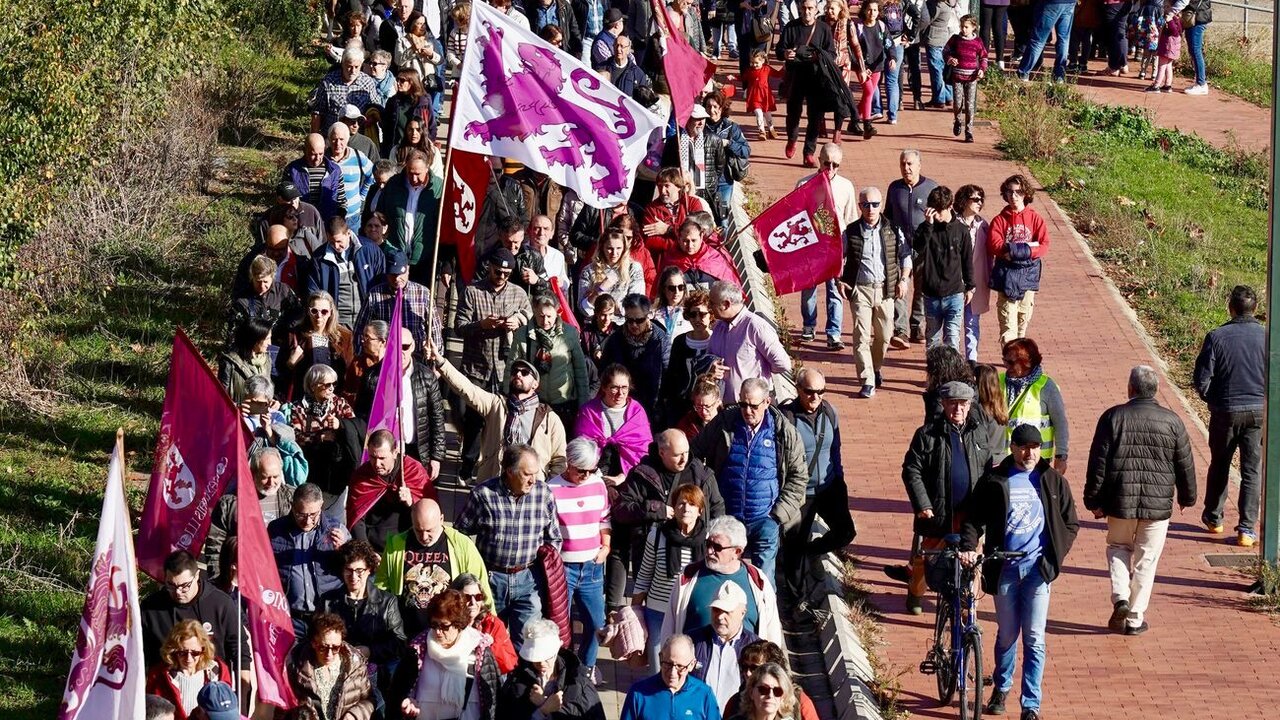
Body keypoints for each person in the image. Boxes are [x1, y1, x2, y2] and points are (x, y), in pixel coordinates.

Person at [961, 425, 1080, 720]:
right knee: (1008, 635)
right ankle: (1001, 687)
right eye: (1024, 447)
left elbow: (1070, 522)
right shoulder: (995, 480)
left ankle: (1030, 705)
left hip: (1038, 571)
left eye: (1035, 447)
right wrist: (968, 546)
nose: (1030, 453)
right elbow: (974, 519)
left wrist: (1054, 558)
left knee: (1035, 638)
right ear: (1012, 447)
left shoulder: (1051, 480)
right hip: (1005, 570)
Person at [1085, 365, 1196, 635]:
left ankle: (1120, 596)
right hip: (1157, 505)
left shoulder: (1113, 417)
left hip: (1120, 501)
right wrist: (1187, 496)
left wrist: (1093, 499)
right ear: (1156, 390)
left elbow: (1098, 462)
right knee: (1147, 559)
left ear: (1130, 389)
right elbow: (1185, 463)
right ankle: (1134, 618)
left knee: (1118, 548)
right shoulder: (1172, 421)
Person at [901, 381, 1000, 614]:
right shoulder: (927, 435)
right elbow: (911, 470)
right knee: (929, 560)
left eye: (963, 404)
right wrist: (922, 503)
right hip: (938, 511)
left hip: (971, 514)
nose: (958, 409)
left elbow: (987, 470)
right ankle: (915, 593)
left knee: (974, 559)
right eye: (952, 403)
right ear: (943, 404)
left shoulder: (979, 432)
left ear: (970, 405)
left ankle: (969, 611)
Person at [453, 445, 562, 646]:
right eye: (527, 474)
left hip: (529, 579)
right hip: (493, 580)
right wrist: (474, 573)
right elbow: (460, 535)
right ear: (509, 472)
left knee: (528, 641)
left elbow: (554, 538)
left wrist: (546, 566)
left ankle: (523, 678)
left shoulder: (544, 494)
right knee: (491, 640)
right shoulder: (483, 494)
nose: (533, 480)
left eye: (536, 474)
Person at [1194, 284, 1265, 546]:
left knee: (1220, 463)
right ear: (1255, 309)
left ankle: (1214, 518)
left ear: (1231, 308)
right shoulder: (1268, 337)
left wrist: (1214, 401)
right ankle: (1246, 529)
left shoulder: (1217, 337)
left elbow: (1201, 380)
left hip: (1226, 410)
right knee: (1251, 471)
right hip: (1258, 412)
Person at [778, 369, 856, 603]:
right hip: (799, 492)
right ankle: (797, 601)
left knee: (846, 532)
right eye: (810, 392)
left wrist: (839, 478)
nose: (815, 397)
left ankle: (813, 552)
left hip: (829, 487)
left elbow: (836, 450)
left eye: (821, 392)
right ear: (797, 389)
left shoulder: (830, 413)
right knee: (793, 549)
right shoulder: (786, 418)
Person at [434, 347, 568, 481]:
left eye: (525, 372)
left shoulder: (549, 417)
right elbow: (467, 389)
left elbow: (560, 459)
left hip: (531, 487)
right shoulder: (496, 404)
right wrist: (441, 362)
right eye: (515, 371)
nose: (518, 374)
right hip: (496, 482)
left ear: (535, 384)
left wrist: (546, 487)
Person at [378, 499, 494, 638]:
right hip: (406, 635)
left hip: (449, 636)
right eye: (418, 530)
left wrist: (491, 628)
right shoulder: (395, 546)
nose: (424, 537)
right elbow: (381, 591)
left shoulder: (462, 545)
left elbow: (482, 590)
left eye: (429, 530)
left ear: (441, 519)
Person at [662, 515, 784, 646]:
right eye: (708, 544)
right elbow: (669, 626)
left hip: (743, 664)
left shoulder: (758, 581)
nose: (709, 551)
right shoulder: (688, 577)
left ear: (737, 551)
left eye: (717, 547)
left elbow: (772, 631)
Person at [546, 438, 612, 676]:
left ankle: (586, 668)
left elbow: (605, 518)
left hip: (592, 565)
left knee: (596, 623)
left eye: (590, 470)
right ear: (569, 464)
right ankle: (562, 670)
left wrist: (605, 546)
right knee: (560, 625)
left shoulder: (598, 484)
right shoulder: (551, 489)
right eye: (580, 470)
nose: (585, 475)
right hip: (563, 567)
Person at [839, 186, 910, 398]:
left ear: (881, 206)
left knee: (884, 336)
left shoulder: (893, 229)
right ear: (860, 206)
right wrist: (840, 280)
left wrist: (904, 279)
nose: (871, 209)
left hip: (885, 290)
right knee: (861, 336)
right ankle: (867, 380)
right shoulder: (851, 231)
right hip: (860, 289)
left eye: (875, 204)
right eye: (866, 205)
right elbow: (837, 258)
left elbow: (905, 256)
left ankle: (875, 367)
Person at [632, 483, 710, 672]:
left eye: (692, 504)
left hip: (691, 611)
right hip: (658, 610)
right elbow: (645, 572)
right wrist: (635, 610)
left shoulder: (709, 539)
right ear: (673, 508)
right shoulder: (657, 535)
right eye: (681, 503)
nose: (686, 509)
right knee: (658, 668)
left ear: (700, 510)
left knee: (689, 667)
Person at [396, 589, 500, 720]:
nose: (438, 632)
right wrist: (408, 706)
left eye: (444, 626)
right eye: (434, 625)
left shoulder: (479, 649)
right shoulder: (418, 650)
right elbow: (398, 693)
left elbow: (493, 701)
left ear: (458, 624)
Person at [354, 329, 447, 473]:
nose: (400, 352)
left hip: (417, 452)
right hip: (383, 455)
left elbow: (437, 418)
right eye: (396, 347)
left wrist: (436, 457)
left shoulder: (427, 376)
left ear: (413, 346)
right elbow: (361, 416)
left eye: (405, 347)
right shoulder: (372, 376)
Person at [140, 550, 249, 670]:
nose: (178, 592)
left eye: (184, 586)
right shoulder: (150, 608)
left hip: (212, 682)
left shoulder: (221, 603)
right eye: (171, 585)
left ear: (197, 576)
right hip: (166, 682)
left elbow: (239, 649)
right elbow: (140, 653)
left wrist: (244, 686)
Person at [202, 448, 298, 577]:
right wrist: (219, 580)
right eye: (265, 477)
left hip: (280, 577)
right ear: (253, 473)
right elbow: (215, 545)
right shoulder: (230, 504)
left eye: (276, 476)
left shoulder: (292, 499)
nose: (271, 482)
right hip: (244, 577)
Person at [796, 144, 856, 350]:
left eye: (835, 165)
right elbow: (795, 217)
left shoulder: (846, 186)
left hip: (835, 246)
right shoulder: (804, 184)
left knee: (835, 291)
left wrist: (848, 250)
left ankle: (834, 333)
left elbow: (850, 220)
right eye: (826, 163)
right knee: (808, 291)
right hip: (811, 246)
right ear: (819, 160)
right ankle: (808, 326)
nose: (830, 168)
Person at [268, 483, 350, 632]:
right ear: (292, 506)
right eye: (301, 514)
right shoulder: (275, 530)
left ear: (321, 506)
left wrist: (343, 550)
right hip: (290, 616)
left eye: (313, 515)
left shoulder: (336, 530)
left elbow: (354, 566)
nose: (307, 521)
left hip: (327, 616)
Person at [322, 540, 407, 682]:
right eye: (348, 570)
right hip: (336, 670)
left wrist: (370, 651)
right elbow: (317, 638)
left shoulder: (387, 601)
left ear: (369, 570)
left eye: (359, 571)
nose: (353, 577)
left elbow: (399, 642)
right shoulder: (327, 601)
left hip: (376, 674)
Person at [346, 429, 439, 551]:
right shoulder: (362, 476)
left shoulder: (413, 470)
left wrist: (412, 502)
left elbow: (430, 513)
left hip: (409, 545)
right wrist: (367, 552)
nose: (377, 464)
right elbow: (357, 519)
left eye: (382, 458)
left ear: (395, 452)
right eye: (372, 457)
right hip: (374, 545)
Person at [499, 618, 606, 720]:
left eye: (546, 658)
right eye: (535, 658)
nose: (541, 663)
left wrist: (544, 704)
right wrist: (543, 710)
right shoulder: (517, 681)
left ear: (556, 651)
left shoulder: (577, 681)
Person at [988, 174, 1050, 344]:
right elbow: (995, 244)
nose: (1013, 196)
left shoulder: (1035, 218)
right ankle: (1011, 360)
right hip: (1007, 277)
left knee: (1023, 322)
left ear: (1025, 194)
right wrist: (1017, 251)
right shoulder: (1000, 220)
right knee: (1008, 325)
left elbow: (1043, 244)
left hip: (1028, 276)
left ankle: (1020, 360)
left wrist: (1017, 251)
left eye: (1018, 192)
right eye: (1010, 192)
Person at [911, 185, 974, 352]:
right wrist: (928, 225)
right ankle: (934, 375)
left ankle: (952, 376)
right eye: (934, 210)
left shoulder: (961, 231)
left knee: (952, 338)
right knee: (932, 340)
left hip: (954, 293)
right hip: (931, 295)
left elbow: (967, 259)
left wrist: (970, 286)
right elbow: (918, 247)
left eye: (940, 211)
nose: (937, 215)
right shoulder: (926, 229)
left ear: (950, 206)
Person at [706, 282, 792, 405]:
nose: (709, 307)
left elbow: (782, 363)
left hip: (751, 407)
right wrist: (711, 366)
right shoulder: (718, 327)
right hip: (722, 407)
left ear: (726, 304)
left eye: (712, 303)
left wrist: (762, 374)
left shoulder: (756, 327)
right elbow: (709, 356)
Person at [511, 295, 590, 428]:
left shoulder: (570, 333)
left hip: (564, 402)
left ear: (558, 313)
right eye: (541, 316)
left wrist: (583, 404)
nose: (545, 321)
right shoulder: (522, 334)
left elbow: (580, 370)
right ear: (534, 311)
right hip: (533, 401)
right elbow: (511, 368)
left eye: (549, 316)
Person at [885, 149, 939, 345]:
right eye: (903, 164)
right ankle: (900, 330)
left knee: (921, 288)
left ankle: (917, 326)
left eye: (910, 164)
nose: (906, 168)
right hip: (900, 247)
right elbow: (888, 216)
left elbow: (941, 218)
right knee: (900, 285)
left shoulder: (931, 188)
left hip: (925, 247)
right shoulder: (894, 188)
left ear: (919, 165)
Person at [777, 0, 836, 167]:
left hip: (816, 78)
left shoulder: (823, 29)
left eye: (810, 8)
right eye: (804, 8)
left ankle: (809, 152)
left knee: (815, 117)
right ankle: (792, 139)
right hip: (795, 76)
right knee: (793, 113)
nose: (807, 11)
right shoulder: (791, 27)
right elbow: (779, 50)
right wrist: (785, 53)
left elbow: (832, 53)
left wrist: (819, 56)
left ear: (816, 10)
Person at [1000, 337, 1070, 473]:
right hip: (1005, 461)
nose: (1006, 366)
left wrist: (1061, 457)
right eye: (1004, 361)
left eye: (1010, 362)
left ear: (1027, 362)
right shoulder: (998, 381)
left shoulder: (1046, 387)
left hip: (1036, 463)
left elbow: (1060, 424)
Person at [287, 613, 375, 720]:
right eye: (323, 648)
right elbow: (283, 706)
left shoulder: (355, 665)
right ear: (313, 643)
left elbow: (369, 699)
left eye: (335, 648)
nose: (329, 654)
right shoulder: (296, 666)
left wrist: (354, 715)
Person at [288, 364, 358, 496]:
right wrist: (318, 438)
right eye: (327, 384)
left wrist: (340, 424)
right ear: (313, 386)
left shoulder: (340, 403)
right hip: (311, 468)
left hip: (337, 470)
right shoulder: (299, 408)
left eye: (334, 384)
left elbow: (355, 426)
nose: (331, 388)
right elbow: (295, 436)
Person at [691, 582, 761, 712]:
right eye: (716, 610)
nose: (720, 617)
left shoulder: (757, 649)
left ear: (742, 613)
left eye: (727, 611)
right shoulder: (693, 642)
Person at [305, 219, 385, 331]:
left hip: (367, 319)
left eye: (339, 241)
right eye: (331, 242)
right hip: (337, 322)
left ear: (348, 233)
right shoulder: (319, 258)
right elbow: (313, 291)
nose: (336, 246)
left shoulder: (370, 250)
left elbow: (382, 282)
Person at [145, 620, 234, 720]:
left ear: (203, 649)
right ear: (173, 650)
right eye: (182, 653)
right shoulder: (158, 675)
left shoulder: (218, 672)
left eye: (195, 653)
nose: (188, 658)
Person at [618, 635, 722, 720]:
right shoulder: (638, 693)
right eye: (667, 664)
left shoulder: (704, 694)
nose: (672, 672)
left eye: (680, 667)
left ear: (691, 665)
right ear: (660, 658)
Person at [600, 294, 671, 416]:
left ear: (647, 316)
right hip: (621, 404)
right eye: (629, 320)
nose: (634, 325)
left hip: (652, 405)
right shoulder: (615, 340)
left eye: (639, 320)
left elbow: (667, 373)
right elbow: (605, 372)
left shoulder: (660, 339)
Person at [281, 289, 356, 404]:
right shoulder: (295, 335)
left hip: (333, 399)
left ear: (331, 312)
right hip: (303, 400)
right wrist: (290, 363)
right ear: (308, 311)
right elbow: (280, 371)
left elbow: (349, 372)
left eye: (324, 312)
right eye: (314, 311)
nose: (319, 316)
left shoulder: (344, 337)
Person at [373, 149, 439, 279]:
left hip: (424, 259)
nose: (413, 178)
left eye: (418, 174)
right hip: (395, 256)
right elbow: (380, 214)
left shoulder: (438, 188)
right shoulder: (394, 184)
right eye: (410, 173)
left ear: (427, 168)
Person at [660, 105, 728, 224]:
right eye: (697, 119)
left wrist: (709, 182)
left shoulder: (714, 139)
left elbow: (719, 166)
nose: (701, 123)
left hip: (705, 192)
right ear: (687, 119)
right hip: (681, 191)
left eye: (703, 119)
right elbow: (666, 167)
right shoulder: (674, 141)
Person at [722, 641, 821, 720]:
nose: (748, 673)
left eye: (754, 668)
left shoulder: (799, 701)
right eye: (744, 667)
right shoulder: (735, 702)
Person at [659, 290, 716, 427]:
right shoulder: (680, 341)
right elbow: (672, 376)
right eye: (692, 314)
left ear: (711, 314)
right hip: (682, 406)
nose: (697, 319)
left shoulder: (716, 340)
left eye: (702, 314)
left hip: (709, 407)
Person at [450, 573, 518, 675]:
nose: (473, 602)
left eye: (478, 597)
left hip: (485, 678)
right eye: (466, 597)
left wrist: (489, 647)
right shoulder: (447, 623)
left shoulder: (493, 624)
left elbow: (509, 664)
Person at [227, 254, 300, 349]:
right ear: (252, 277)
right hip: (252, 349)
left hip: (279, 347)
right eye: (258, 281)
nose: (262, 286)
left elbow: (299, 313)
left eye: (265, 282)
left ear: (273, 277)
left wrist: (288, 327)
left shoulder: (283, 291)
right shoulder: (242, 300)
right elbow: (233, 334)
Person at [954, 184, 991, 361]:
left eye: (981, 199)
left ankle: (972, 360)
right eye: (975, 199)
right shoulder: (952, 224)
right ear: (964, 201)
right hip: (954, 281)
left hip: (975, 282)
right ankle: (952, 360)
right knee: (952, 323)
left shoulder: (983, 226)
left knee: (971, 322)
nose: (979, 202)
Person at [642, 168, 712, 259]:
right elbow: (650, 241)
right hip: (667, 261)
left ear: (678, 187)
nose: (662, 191)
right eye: (659, 186)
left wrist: (668, 229)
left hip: (693, 260)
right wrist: (682, 244)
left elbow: (698, 230)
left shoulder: (692, 203)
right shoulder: (651, 209)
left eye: (667, 186)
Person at [309, 46, 379, 134]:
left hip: (359, 135)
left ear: (361, 65)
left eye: (356, 67)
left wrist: (369, 122)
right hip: (333, 135)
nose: (353, 71)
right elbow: (317, 112)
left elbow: (376, 109)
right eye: (349, 66)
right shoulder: (329, 81)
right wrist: (314, 137)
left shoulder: (368, 83)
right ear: (342, 63)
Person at [849, 1, 893, 140]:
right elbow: (853, 49)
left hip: (877, 66)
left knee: (867, 96)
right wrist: (862, 67)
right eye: (869, 10)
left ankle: (854, 120)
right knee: (868, 92)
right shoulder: (859, 27)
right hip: (862, 67)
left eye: (874, 10)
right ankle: (867, 125)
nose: (872, 13)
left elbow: (889, 43)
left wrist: (892, 57)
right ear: (864, 11)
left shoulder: (881, 26)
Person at [659, 217, 742, 291]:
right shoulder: (670, 259)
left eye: (694, 240)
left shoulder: (714, 258)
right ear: (679, 238)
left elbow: (732, 291)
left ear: (701, 237)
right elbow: (659, 292)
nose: (690, 246)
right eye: (685, 241)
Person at [943, 15, 986, 142]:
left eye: (966, 27)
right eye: (962, 26)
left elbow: (984, 57)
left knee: (969, 104)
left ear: (973, 27)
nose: (963, 29)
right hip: (957, 76)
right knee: (957, 103)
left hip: (972, 77)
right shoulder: (955, 39)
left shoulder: (977, 42)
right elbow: (945, 51)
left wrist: (982, 70)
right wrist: (950, 59)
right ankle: (957, 119)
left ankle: (969, 131)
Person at [217, 316, 274, 406]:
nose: (270, 343)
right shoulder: (230, 363)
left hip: (261, 416)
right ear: (254, 340)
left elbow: (266, 391)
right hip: (239, 417)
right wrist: (238, 408)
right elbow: (220, 398)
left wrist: (271, 401)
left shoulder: (266, 360)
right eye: (267, 339)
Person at [1017, 0, 1076, 82]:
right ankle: (1059, 75)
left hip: (1050, 3)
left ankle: (1024, 72)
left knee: (1038, 39)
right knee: (1064, 39)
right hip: (1069, 3)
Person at [1172, 0, 1211, 94]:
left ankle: (1201, 84)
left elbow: (1184, 1)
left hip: (1197, 18)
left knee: (1195, 50)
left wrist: (1172, 11)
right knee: (1194, 50)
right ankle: (1200, 82)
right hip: (1195, 17)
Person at [741, 50, 778, 139]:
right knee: (758, 113)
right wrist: (733, 77)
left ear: (763, 61)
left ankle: (771, 129)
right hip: (754, 96)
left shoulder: (767, 69)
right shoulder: (749, 71)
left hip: (765, 96)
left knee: (767, 114)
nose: (754, 65)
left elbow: (778, 74)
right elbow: (743, 78)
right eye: (752, 62)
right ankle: (761, 131)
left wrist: (785, 68)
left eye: (756, 63)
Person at [1146, 6, 1182, 93]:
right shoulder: (1179, 20)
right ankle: (1167, 85)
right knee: (1168, 66)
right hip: (1173, 48)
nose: (1164, 8)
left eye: (1166, 6)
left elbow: (1174, 31)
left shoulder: (1172, 20)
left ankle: (1156, 85)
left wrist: (1169, 20)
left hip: (1167, 47)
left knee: (1161, 66)